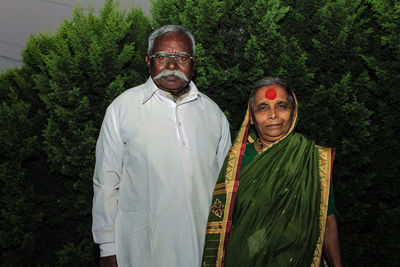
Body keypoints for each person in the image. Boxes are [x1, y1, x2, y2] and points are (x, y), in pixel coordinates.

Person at [92, 25, 231, 267]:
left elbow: (226, 188)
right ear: (148, 61)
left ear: (194, 63)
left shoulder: (212, 114)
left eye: (182, 57)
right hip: (140, 249)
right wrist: (108, 249)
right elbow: (105, 183)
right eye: (162, 57)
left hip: (202, 248)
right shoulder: (122, 109)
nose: (172, 65)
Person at [202, 77, 342, 266]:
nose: (273, 114)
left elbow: (328, 221)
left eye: (281, 106)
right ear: (251, 117)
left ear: (293, 112)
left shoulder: (313, 159)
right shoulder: (236, 162)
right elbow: (224, 222)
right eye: (263, 107)